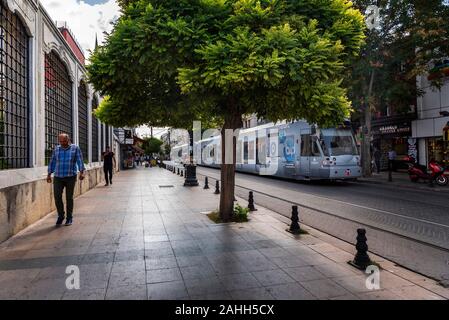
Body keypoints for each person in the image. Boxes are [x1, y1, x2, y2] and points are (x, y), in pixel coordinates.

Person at [47, 133, 85, 226]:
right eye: (60, 141)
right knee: (57, 197)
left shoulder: (75, 148)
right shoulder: (56, 149)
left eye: (64, 141)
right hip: (58, 176)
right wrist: (49, 174)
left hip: (70, 176)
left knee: (69, 198)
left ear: (68, 140)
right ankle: (61, 215)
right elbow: (52, 161)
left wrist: (82, 172)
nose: (62, 143)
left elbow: (80, 160)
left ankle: (69, 218)